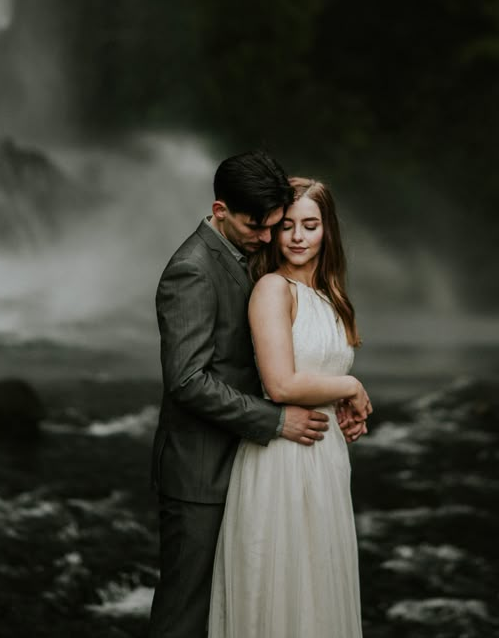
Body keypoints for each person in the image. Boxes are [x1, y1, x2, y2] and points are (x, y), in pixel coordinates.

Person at [148, 151, 334, 638]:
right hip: (200, 471)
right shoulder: (190, 270)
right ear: (219, 210)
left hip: (252, 469)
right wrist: (276, 420)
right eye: (259, 226)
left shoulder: (249, 253)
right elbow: (187, 380)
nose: (269, 237)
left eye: (276, 225)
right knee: (186, 612)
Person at [208, 176, 372, 638]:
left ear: (328, 230)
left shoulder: (332, 295)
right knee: (281, 588)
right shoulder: (272, 291)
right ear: (274, 231)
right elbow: (280, 384)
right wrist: (350, 385)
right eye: (288, 226)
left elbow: (321, 371)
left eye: (311, 225)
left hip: (325, 457)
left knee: (319, 588)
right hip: (281, 458)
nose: (299, 237)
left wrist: (347, 401)